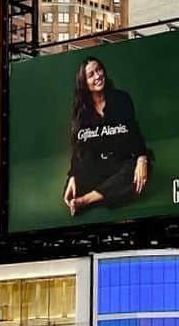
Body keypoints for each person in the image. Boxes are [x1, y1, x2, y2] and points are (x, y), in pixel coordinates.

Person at [63, 59, 150, 216]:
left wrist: (142, 159)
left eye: (99, 70)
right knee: (74, 185)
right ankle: (108, 194)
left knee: (136, 174)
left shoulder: (121, 99)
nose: (97, 76)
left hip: (121, 161)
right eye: (91, 75)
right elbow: (78, 147)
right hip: (97, 165)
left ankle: (86, 200)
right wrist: (73, 176)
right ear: (84, 83)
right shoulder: (81, 112)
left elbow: (134, 132)